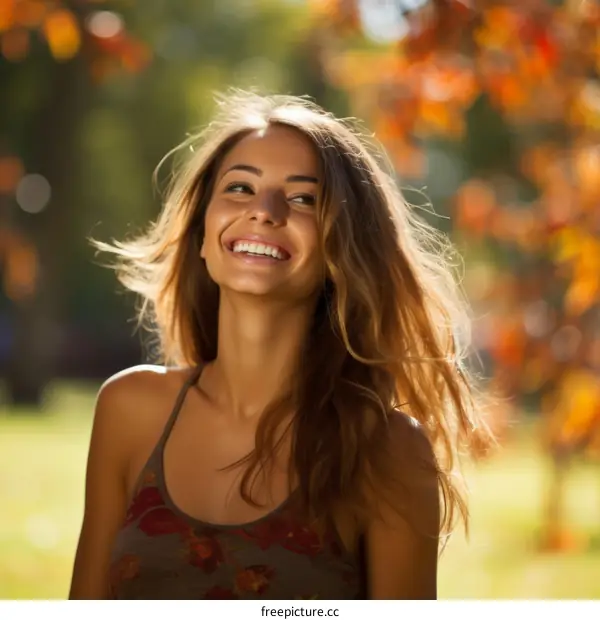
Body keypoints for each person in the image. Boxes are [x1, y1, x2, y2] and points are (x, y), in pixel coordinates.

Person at [68, 91, 490, 600]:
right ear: (203, 232)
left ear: (342, 245)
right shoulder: (129, 410)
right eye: (240, 188)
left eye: (303, 198)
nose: (264, 212)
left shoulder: (388, 452)